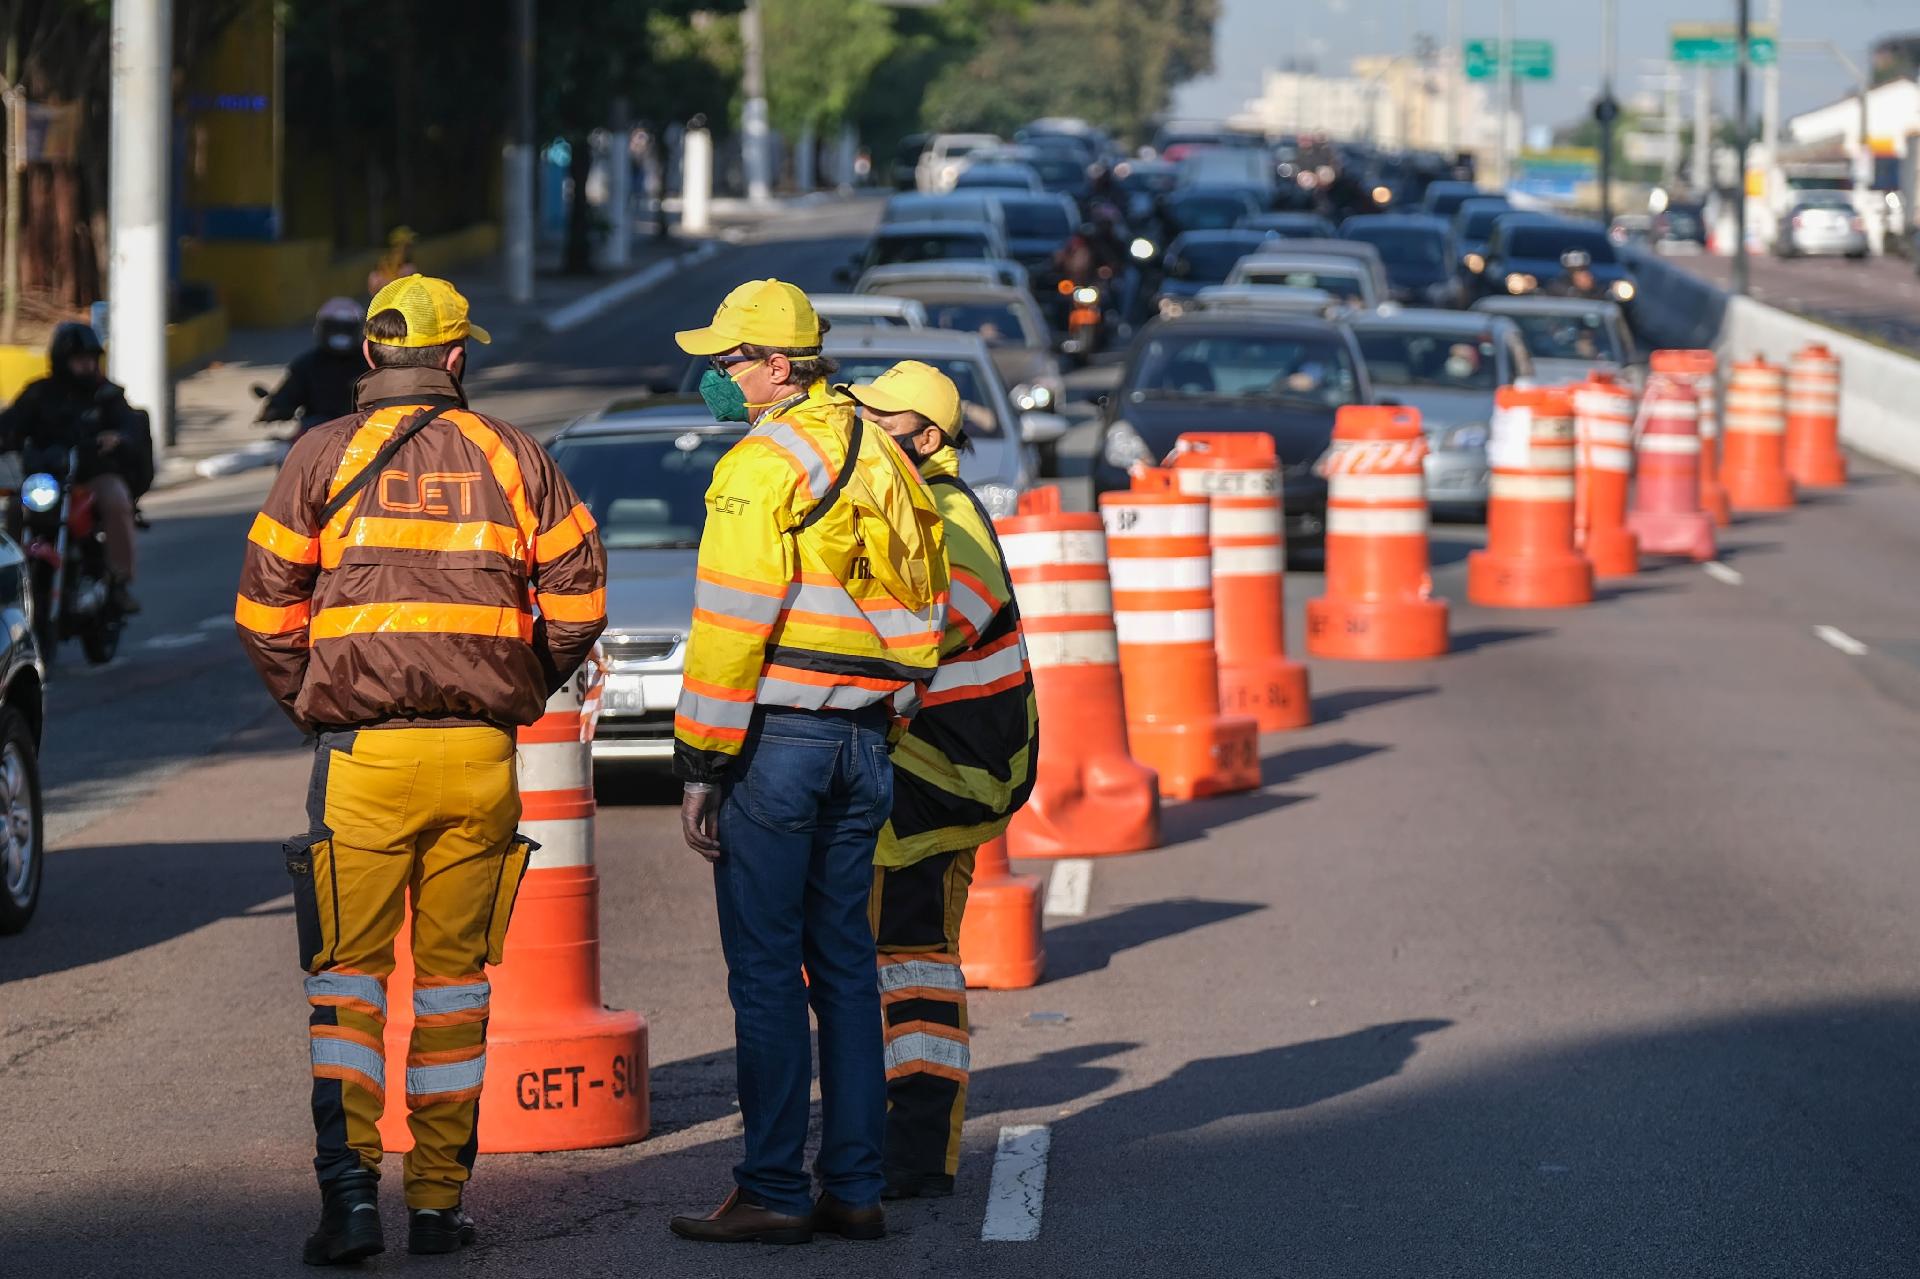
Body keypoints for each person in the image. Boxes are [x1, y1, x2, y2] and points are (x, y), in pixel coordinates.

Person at [234, 274, 607, 1266]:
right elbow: (579, 600)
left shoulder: (321, 453)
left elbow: (265, 612)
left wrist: (314, 701)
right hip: (481, 760)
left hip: (361, 759)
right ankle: (438, 1206)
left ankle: (350, 1200)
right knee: (453, 988)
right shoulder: (513, 452)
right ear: (455, 357)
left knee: (347, 987)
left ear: (369, 357)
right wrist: (519, 686)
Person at [667, 279, 949, 1246]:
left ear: (778, 366)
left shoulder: (764, 461)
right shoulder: (887, 455)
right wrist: (885, 719)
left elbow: (732, 622)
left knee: (764, 976)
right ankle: (855, 1186)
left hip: (778, 747)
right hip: (864, 742)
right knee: (844, 970)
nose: (718, 375)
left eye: (730, 360)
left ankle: (774, 1187)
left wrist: (702, 761)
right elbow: (927, 609)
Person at [844, 361, 1037, 1200]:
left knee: (911, 963)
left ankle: (917, 1152)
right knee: (892, 959)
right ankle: (891, 1138)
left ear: (925, 438)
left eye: (880, 422)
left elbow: (920, 633)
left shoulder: (950, 519)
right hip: (918, 774)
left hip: (939, 782)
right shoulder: (913, 505)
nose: (863, 433)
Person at [0, 321, 153, 613]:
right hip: (46, 478)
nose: (87, 366)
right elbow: (11, 422)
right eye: (79, 359)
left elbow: (130, 424)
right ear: (61, 360)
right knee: (15, 510)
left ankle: (119, 581)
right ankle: (11, 580)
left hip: (92, 476)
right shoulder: (38, 393)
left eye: (90, 359)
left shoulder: (106, 395)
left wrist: (118, 437)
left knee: (116, 500)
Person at [257, 298, 364, 437]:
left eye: (345, 327)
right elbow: (289, 394)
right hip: (318, 430)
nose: (340, 333)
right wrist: (275, 408)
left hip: (359, 432)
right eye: (335, 327)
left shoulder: (371, 362)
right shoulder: (307, 363)